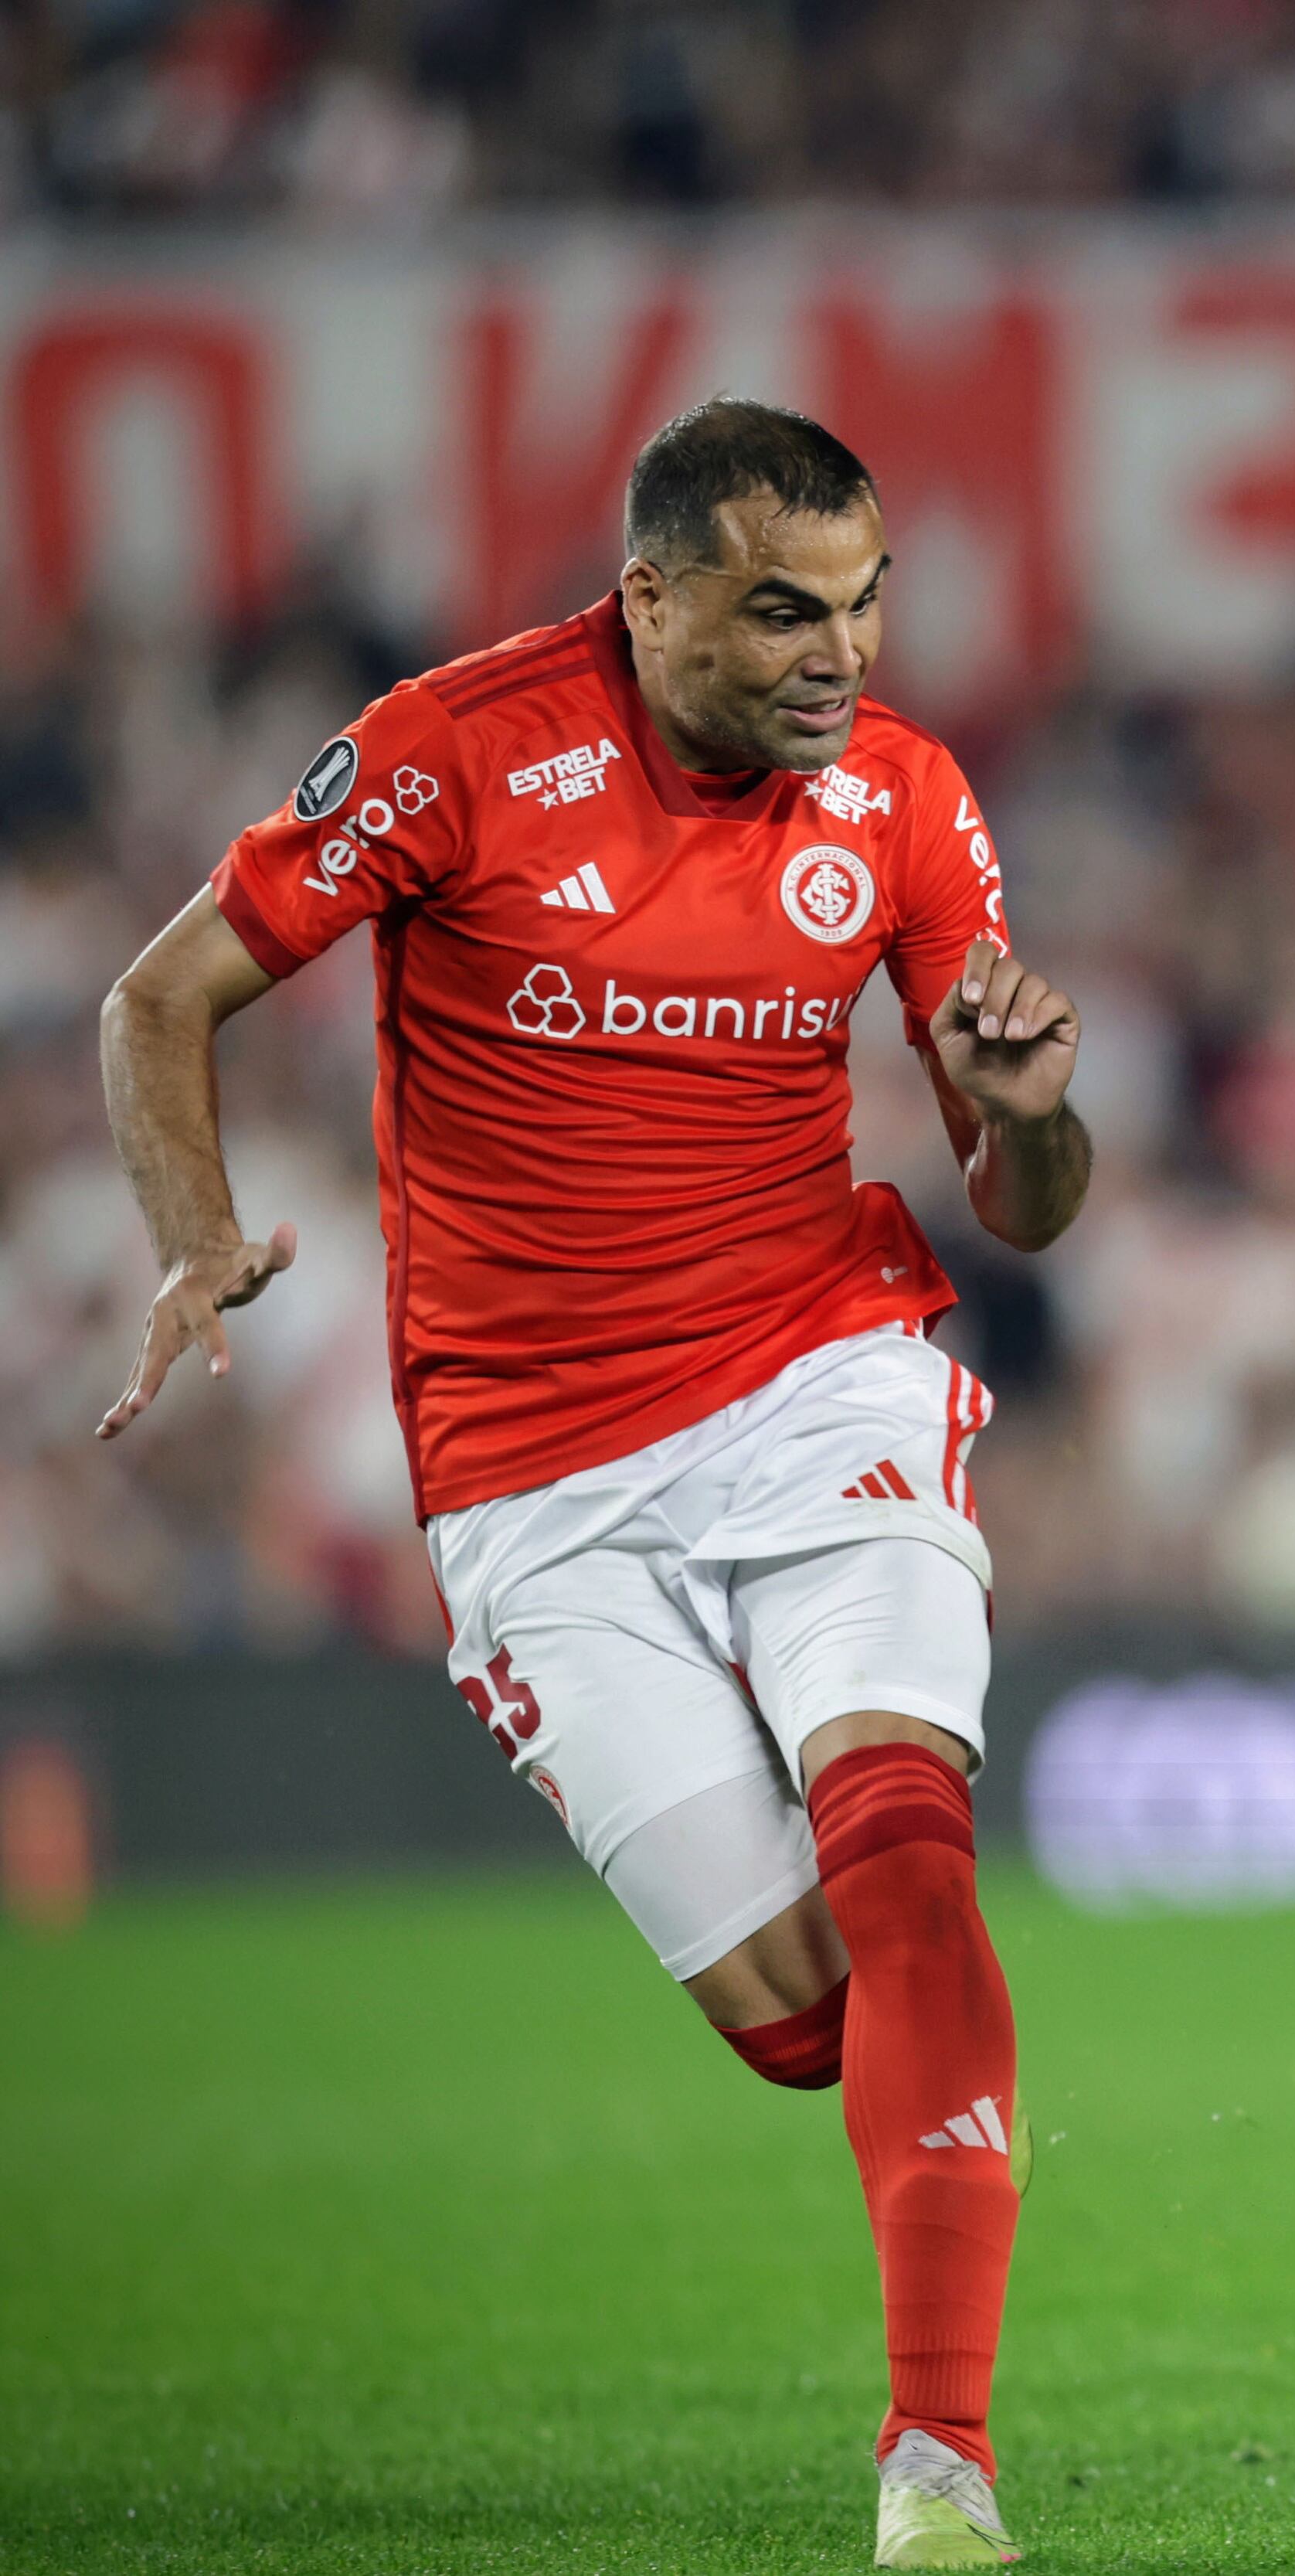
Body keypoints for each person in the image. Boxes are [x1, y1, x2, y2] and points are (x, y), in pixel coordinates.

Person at [97, 399, 1085, 2568]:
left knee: (907, 1843)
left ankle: (942, 2458)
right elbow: (161, 995)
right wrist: (193, 1238)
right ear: (647, 598)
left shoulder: (908, 803)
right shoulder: (454, 750)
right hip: (533, 1479)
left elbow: (1026, 1205)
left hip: (821, 1376)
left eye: (862, 602)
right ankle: (919, 2169)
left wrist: (1019, 1121)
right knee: (811, 2029)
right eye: (777, 610)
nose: (837, 655)